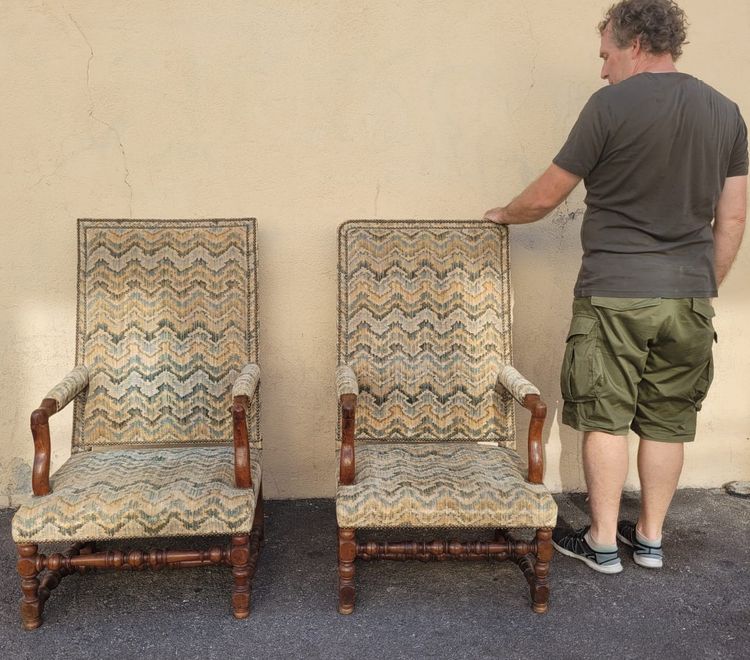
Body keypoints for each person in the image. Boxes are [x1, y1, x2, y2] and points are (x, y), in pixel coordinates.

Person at [484, 0, 747, 573]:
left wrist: (503, 213)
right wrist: (702, 285)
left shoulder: (609, 106)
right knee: (666, 418)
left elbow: (548, 194)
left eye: (605, 55)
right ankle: (650, 538)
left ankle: (603, 540)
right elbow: (731, 220)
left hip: (614, 292)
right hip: (688, 299)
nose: (602, 69)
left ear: (633, 44)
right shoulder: (727, 113)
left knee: (605, 416)